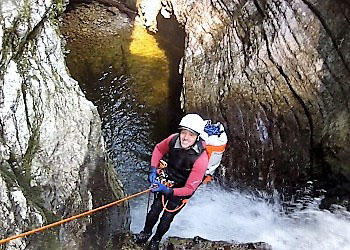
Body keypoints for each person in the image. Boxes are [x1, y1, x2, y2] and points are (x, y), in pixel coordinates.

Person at [135, 113, 209, 250]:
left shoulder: (201, 159)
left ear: (197, 136)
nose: (185, 137)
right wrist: (152, 169)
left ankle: (156, 240)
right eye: (184, 132)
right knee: (154, 211)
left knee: (166, 219)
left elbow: (189, 189)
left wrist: (168, 190)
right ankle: (145, 233)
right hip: (167, 179)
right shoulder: (173, 140)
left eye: (191, 135)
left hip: (181, 190)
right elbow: (158, 149)